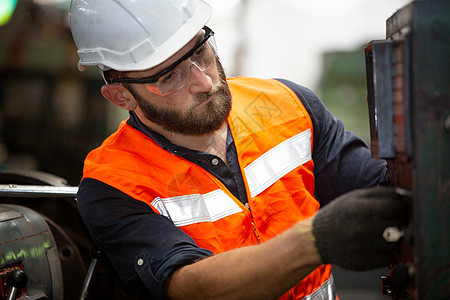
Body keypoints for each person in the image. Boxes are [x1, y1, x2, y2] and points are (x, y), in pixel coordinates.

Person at [70, 0, 406, 299]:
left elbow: (384, 188)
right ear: (122, 97)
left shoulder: (287, 106)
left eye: (201, 52)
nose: (205, 82)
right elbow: (189, 287)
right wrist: (315, 241)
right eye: (170, 77)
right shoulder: (112, 184)